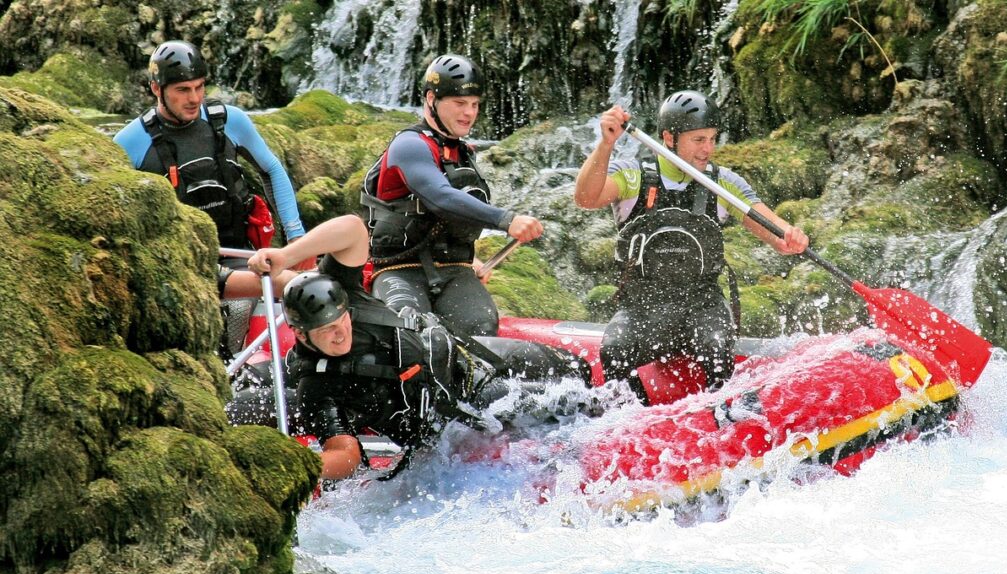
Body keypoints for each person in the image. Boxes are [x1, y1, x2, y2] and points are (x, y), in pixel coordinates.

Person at [247, 215, 586, 480]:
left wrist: (286, 255)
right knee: (574, 405)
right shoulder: (317, 385)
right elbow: (346, 454)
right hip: (457, 410)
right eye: (326, 331)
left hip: (464, 357)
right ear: (302, 336)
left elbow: (351, 229)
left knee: (576, 369)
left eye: (342, 322)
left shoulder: (344, 291)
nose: (340, 334)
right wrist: (299, 465)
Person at [574, 91, 809, 401]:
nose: (708, 149)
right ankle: (632, 422)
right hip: (643, 307)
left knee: (715, 345)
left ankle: (723, 419)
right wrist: (606, 145)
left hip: (702, 306)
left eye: (712, 139)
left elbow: (775, 233)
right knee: (616, 350)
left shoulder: (723, 182)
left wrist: (791, 236)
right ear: (669, 137)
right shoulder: (632, 175)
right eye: (699, 140)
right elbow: (586, 198)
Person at [360, 53, 544, 337]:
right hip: (399, 271)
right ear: (431, 99)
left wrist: (471, 261)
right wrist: (506, 220)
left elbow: (452, 218)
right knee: (411, 331)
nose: (469, 113)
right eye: (459, 103)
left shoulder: (462, 153)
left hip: (454, 271)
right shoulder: (409, 145)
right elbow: (440, 197)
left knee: (481, 328)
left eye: (474, 105)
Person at [113, 39, 310, 300]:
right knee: (289, 286)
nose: (194, 98)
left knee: (309, 286)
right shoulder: (130, 142)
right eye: (183, 89)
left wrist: (296, 237)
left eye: (199, 87)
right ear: (156, 89)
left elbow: (271, 169)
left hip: (243, 257)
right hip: (182, 268)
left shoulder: (229, 120)